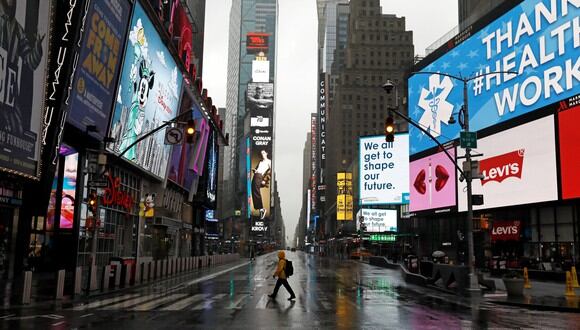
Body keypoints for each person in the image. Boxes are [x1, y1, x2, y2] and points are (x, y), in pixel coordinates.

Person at [251, 150, 271, 220]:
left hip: (260, 176)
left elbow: (270, 172)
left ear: (266, 153)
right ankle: (261, 210)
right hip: (256, 175)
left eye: (263, 153)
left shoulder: (269, 161)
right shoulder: (260, 161)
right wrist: (255, 171)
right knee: (254, 190)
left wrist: (265, 180)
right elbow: (257, 169)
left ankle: (262, 209)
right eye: (261, 153)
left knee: (256, 191)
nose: (262, 154)